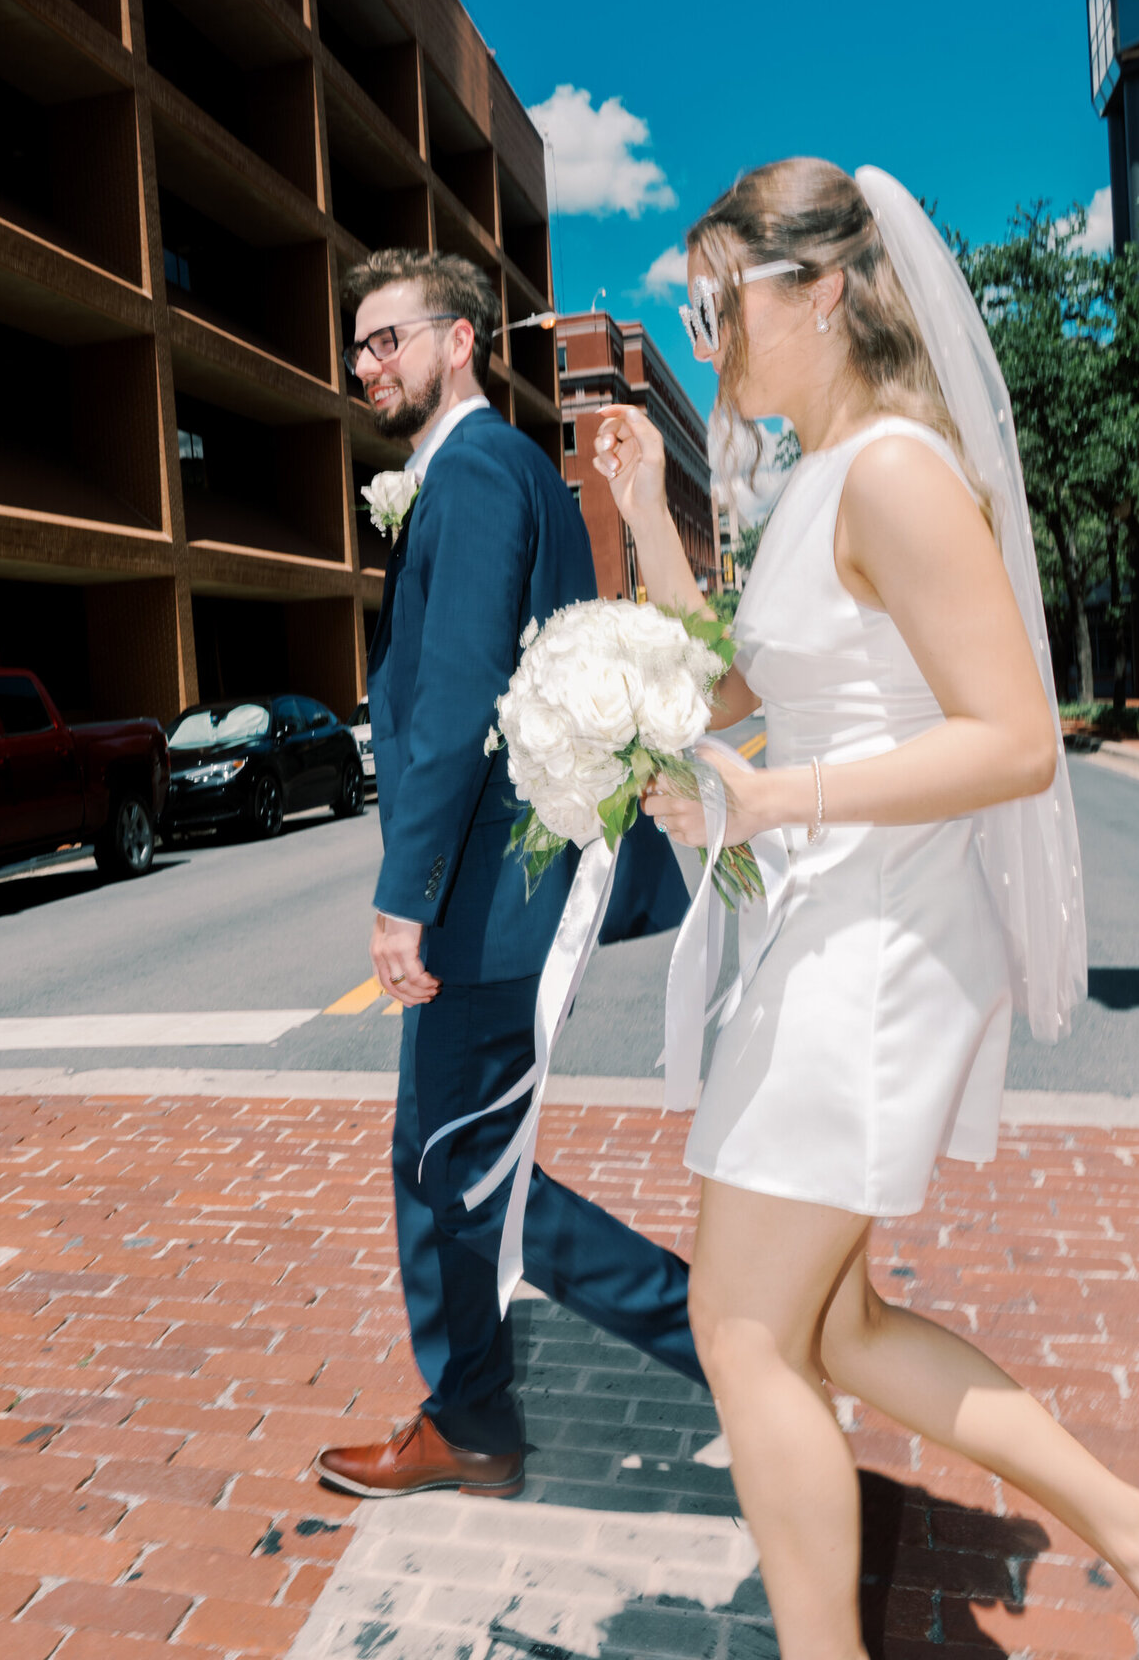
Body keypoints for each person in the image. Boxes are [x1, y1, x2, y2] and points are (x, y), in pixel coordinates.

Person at [593, 159, 1139, 1660]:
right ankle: (1131, 1525)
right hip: (821, 930)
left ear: (822, 291)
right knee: (834, 1326)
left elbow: (1017, 739)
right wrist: (645, 508)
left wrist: (776, 802)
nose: (707, 335)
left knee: (746, 1329)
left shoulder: (897, 468)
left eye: (723, 303)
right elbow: (721, 686)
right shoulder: (810, 479)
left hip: (881, 942)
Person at [315, 248, 696, 1501]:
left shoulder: (475, 474)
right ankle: (473, 1410)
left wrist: (402, 897)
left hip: (485, 905)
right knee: (450, 1163)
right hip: (511, 896)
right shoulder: (509, 470)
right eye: (359, 345)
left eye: (391, 338)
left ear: (463, 338)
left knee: (469, 1175)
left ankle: (722, 1338)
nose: (369, 362)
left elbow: (456, 701)